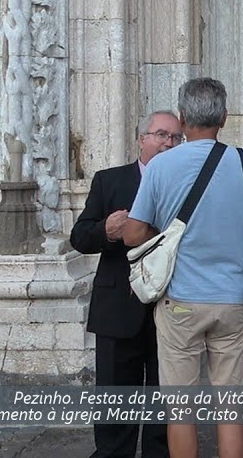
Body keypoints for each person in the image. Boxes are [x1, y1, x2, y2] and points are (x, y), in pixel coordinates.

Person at [123, 77, 243, 458]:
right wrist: (235, 237)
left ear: (182, 117)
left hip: (180, 300)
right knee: (231, 410)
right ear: (224, 117)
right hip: (233, 299)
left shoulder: (161, 167)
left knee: (181, 412)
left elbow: (132, 234)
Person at [70, 110, 181, 458]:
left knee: (165, 400)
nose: (168, 143)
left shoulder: (188, 183)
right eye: (161, 135)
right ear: (141, 138)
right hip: (119, 306)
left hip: (172, 305)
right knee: (116, 397)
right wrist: (106, 230)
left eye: (175, 137)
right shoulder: (109, 180)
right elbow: (80, 237)